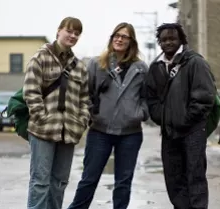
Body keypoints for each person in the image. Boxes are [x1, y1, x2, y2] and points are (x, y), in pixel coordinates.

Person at [67, 22, 149, 209]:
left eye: (124, 36)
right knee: (89, 178)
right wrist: (91, 113)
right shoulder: (97, 64)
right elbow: (84, 93)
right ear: (111, 39)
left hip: (131, 133)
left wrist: (140, 113)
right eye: (116, 35)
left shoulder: (141, 68)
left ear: (131, 41)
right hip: (100, 131)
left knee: (123, 182)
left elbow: (147, 97)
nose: (119, 39)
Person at [145, 23, 217, 209]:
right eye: (164, 39)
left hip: (192, 130)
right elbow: (151, 99)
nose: (168, 42)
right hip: (169, 132)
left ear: (181, 40)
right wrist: (161, 118)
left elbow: (205, 96)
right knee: (173, 178)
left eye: (172, 38)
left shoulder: (195, 62)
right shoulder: (156, 67)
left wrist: (185, 119)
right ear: (159, 43)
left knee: (195, 176)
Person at [23, 16, 89, 209]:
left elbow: (85, 100)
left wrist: (81, 122)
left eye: (77, 33)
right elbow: (31, 90)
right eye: (69, 31)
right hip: (43, 131)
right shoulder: (41, 57)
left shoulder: (80, 67)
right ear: (59, 31)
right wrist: (41, 118)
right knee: (40, 182)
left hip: (68, 133)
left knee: (59, 183)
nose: (73, 35)